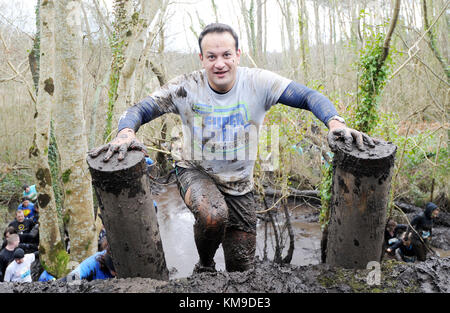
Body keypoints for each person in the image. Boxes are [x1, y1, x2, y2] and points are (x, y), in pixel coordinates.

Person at [88, 23, 377, 273]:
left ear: (237, 55)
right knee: (213, 215)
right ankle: (205, 266)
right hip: (195, 171)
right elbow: (140, 109)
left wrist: (335, 122)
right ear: (201, 58)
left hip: (240, 185)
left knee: (242, 266)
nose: (220, 63)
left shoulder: (259, 82)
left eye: (226, 55)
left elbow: (307, 96)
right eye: (211, 56)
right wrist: (125, 133)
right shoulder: (186, 86)